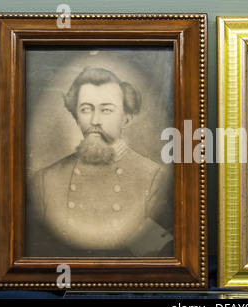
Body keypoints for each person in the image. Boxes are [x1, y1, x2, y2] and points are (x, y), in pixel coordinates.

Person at [26, 67, 173, 257]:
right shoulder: (45, 180)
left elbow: (153, 253)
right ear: (76, 118)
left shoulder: (154, 178)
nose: (95, 120)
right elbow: (40, 249)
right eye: (86, 109)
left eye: (106, 110)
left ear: (126, 119)